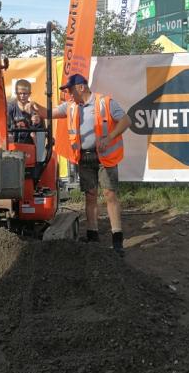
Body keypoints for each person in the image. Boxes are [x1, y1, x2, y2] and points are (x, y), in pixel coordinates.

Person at [32, 73, 131, 255]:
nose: (68, 94)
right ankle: (93, 236)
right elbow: (47, 113)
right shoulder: (71, 107)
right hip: (84, 158)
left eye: (70, 90)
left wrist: (109, 137)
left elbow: (126, 121)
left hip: (105, 158)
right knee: (90, 195)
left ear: (81, 87)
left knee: (110, 195)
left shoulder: (105, 102)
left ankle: (117, 240)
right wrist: (32, 104)